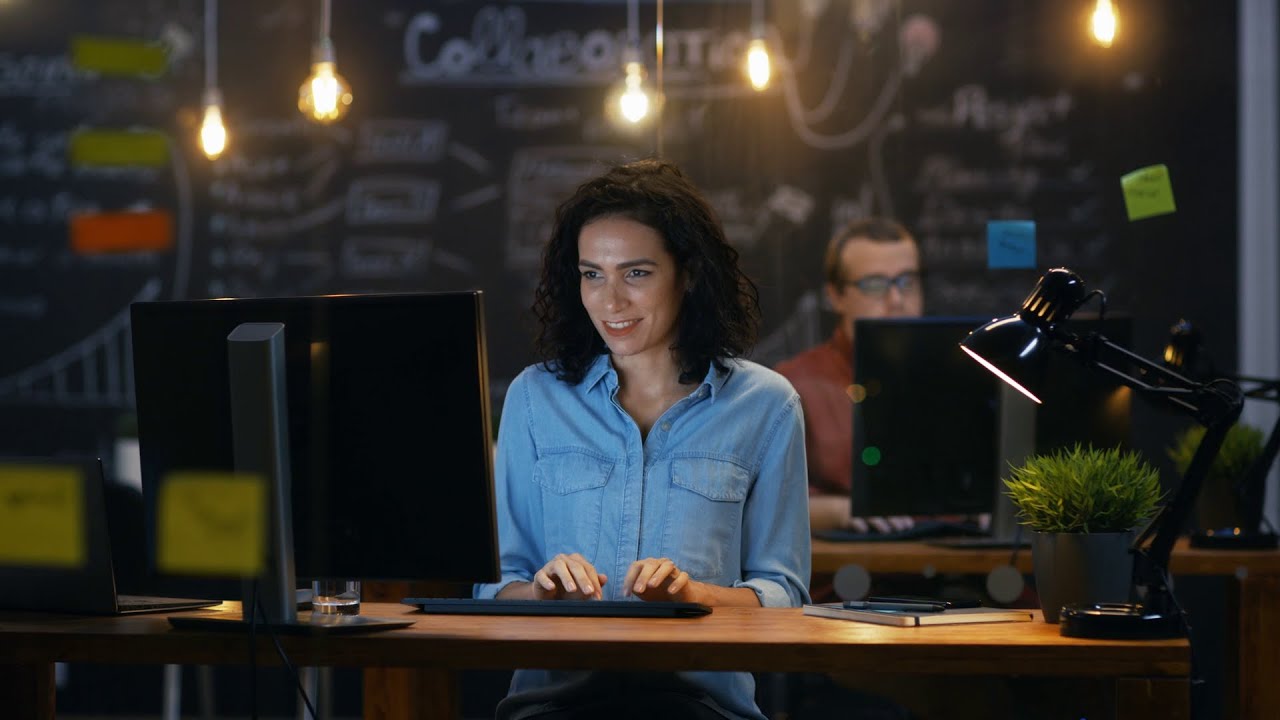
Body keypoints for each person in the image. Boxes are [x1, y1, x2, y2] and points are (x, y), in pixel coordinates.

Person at [474, 158, 811, 720]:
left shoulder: (768, 405)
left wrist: (695, 597)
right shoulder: (535, 398)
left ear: (688, 274)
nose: (610, 302)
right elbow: (493, 589)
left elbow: (784, 596)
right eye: (591, 274)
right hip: (553, 706)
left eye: (636, 273)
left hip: (699, 705)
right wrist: (542, 593)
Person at [775, 218, 923, 534]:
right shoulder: (790, 386)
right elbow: (762, 507)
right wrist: (837, 511)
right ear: (836, 296)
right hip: (849, 573)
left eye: (907, 282)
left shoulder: (956, 378)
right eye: (874, 285)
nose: (896, 300)